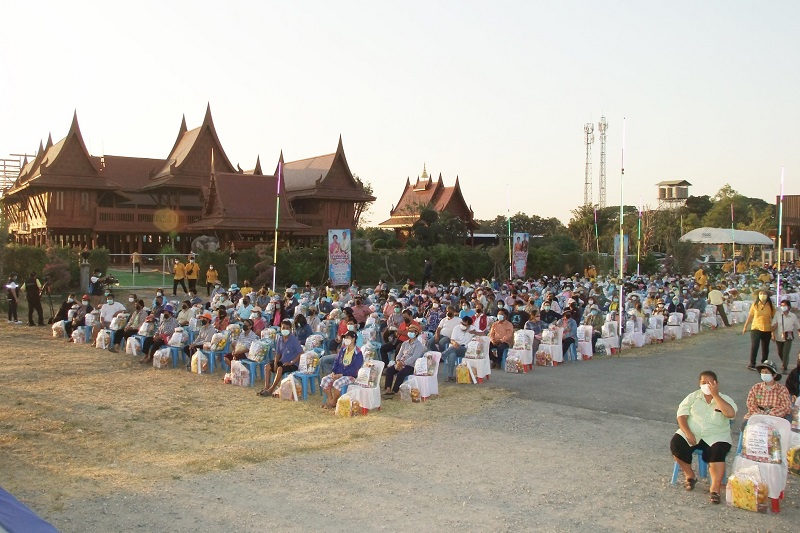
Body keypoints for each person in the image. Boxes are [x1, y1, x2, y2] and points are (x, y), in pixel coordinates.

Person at [670, 370, 737, 504]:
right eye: (703, 382)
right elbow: (681, 416)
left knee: (718, 451)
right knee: (676, 444)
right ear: (699, 383)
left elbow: (730, 414)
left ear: (716, 384)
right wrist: (687, 432)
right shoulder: (693, 397)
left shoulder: (725, 399)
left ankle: (715, 489)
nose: (706, 385)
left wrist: (715, 395)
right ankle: (690, 475)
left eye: (710, 383)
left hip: (716, 435)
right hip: (694, 432)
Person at [258, 319, 303, 396]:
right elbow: (278, 353)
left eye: (287, 328)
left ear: (290, 329)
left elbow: (301, 353)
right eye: (283, 328)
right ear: (281, 329)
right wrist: (275, 362)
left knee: (280, 369)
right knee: (267, 366)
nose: (285, 330)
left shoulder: (293, 339)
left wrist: (291, 362)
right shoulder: (280, 339)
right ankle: (266, 387)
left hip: (293, 364)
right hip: (283, 361)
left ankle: (271, 389)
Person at [321, 331, 363, 409]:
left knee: (337, 383)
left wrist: (341, 375)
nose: (345, 339)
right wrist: (334, 371)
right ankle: (331, 400)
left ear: (353, 339)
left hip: (351, 375)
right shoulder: (343, 349)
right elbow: (336, 361)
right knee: (325, 380)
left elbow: (355, 369)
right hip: (339, 373)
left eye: (347, 337)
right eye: (345, 338)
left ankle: (333, 402)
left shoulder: (358, 353)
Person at [383, 322, 425, 396]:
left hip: (411, 366)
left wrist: (403, 363)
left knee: (401, 374)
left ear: (416, 333)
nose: (410, 333)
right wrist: (398, 361)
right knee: (389, 370)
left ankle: (394, 391)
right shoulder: (405, 343)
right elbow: (399, 354)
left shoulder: (418, 345)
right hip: (401, 363)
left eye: (412, 331)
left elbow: (414, 358)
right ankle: (388, 389)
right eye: (409, 331)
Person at [743, 289, 776, 371]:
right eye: (761, 293)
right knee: (755, 346)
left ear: (767, 295)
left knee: (765, 347)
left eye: (764, 293)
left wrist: (773, 332)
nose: (762, 295)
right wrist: (745, 326)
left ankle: (764, 363)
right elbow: (750, 316)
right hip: (756, 327)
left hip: (767, 329)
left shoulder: (771, 306)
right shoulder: (755, 304)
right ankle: (752, 363)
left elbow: (774, 318)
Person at [441, 315, 481, 380]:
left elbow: (483, 334)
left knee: (453, 348)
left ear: (469, 326)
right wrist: (454, 343)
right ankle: (450, 376)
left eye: (464, 325)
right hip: (454, 348)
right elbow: (452, 340)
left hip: (464, 350)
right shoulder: (456, 328)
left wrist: (475, 332)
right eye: (462, 323)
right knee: (452, 354)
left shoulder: (472, 329)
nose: (462, 325)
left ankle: (443, 355)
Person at [772, 300, 799, 372]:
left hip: (788, 336)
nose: (783, 307)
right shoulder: (778, 314)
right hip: (778, 336)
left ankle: (784, 366)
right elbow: (773, 325)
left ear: (789, 307)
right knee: (780, 352)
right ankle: (785, 361)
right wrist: (773, 334)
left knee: (786, 352)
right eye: (781, 305)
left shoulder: (793, 316)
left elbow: (798, 327)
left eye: (784, 305)